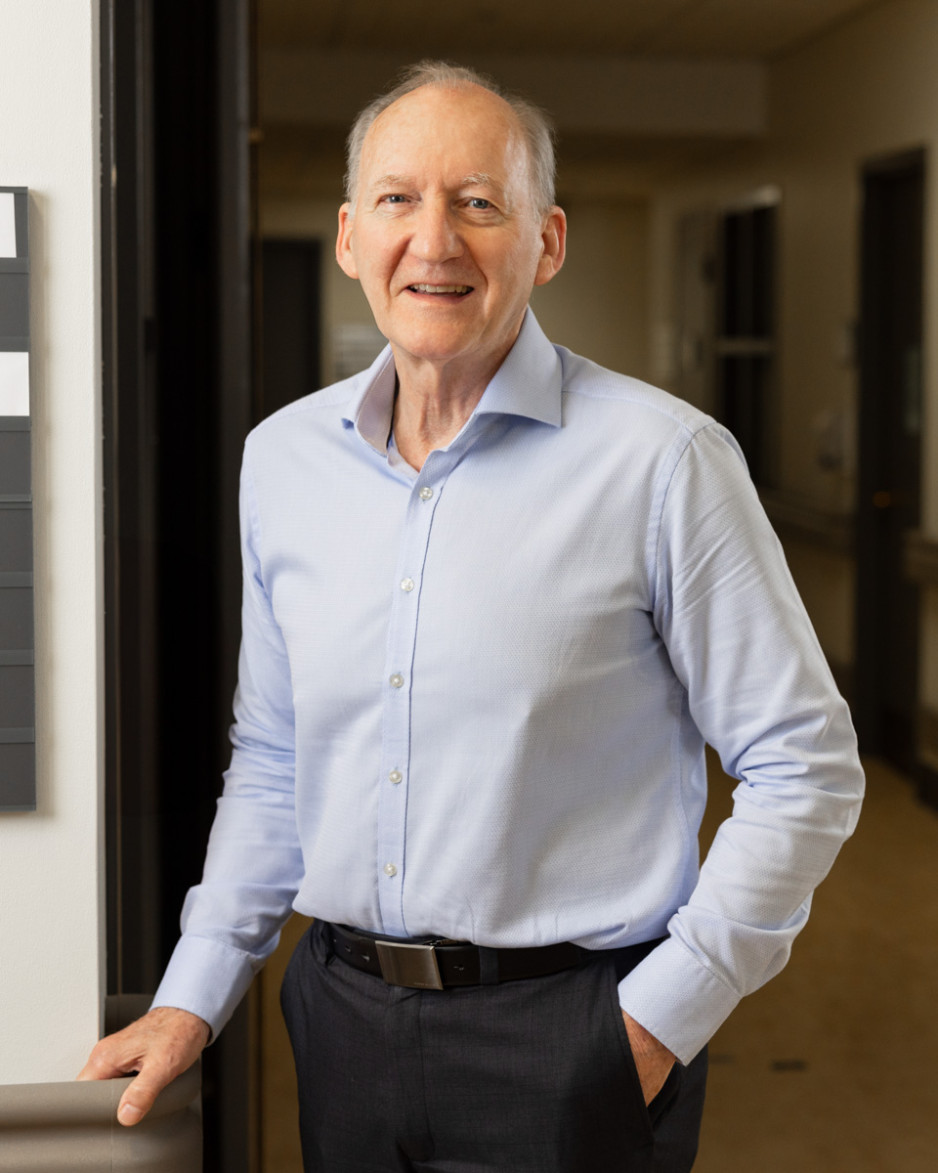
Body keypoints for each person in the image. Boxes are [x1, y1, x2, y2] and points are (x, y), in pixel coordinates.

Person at [79, 61, 864, 1171]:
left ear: (545, 241)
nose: (434, 240)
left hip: (571, 1033)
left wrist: (656, 1022)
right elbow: (276, 759)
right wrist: (191, 996)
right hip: (340, 1019)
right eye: (398, 198)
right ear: (351, 236)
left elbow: (803, 764)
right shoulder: (284, 461)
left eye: (478, 202)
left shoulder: (663, 462)